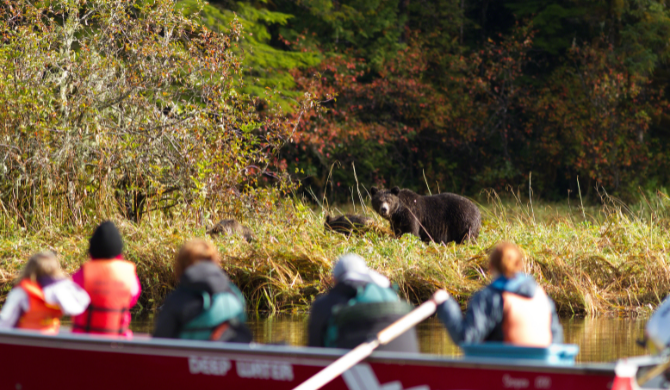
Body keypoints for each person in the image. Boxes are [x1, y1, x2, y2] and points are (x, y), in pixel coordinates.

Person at [437, 242, 563, 346]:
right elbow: (556, 339)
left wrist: (445, 304)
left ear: (490, 267)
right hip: (541, 368)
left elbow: (466, 337)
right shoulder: (543, 297)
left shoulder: (489, 298)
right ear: (519, 265)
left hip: (505, 368)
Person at [308, 253, 419, 352]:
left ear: (335, 280)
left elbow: (314, 353)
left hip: (349, 367)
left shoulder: (325, 305)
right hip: (402, 367)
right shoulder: (391, 296)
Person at [153, 239, 252, 342]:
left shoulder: (177, 300)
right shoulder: (234, 294)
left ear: (181, 266)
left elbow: (158, 343)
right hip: (228, 355)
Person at [71, 221, 141, 337]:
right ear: (118, 249)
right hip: (118, 343)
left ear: (92, 249)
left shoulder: (83, 274)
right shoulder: (129, 275)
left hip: (85, 343)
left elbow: (71, 300)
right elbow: (132, 299)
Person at [0, 252, 90, 333]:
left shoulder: (21, 292)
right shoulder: (60, 291)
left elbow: (5, 322)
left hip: (25, 342)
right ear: (55, 270)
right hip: (51, 341)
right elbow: (80, 304)